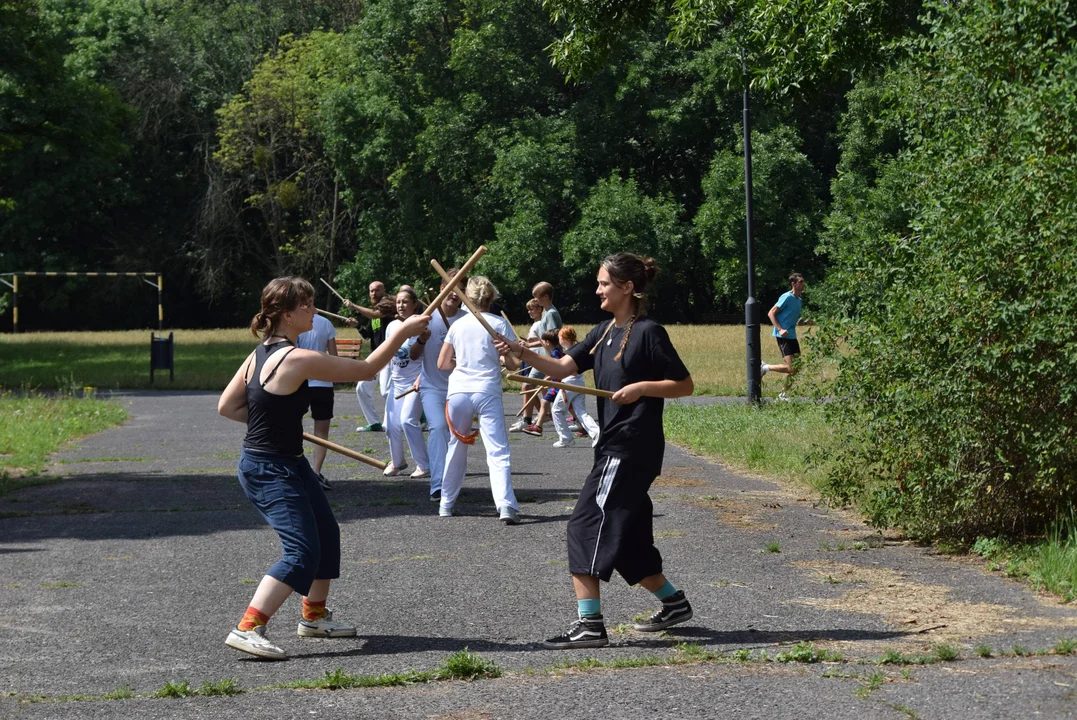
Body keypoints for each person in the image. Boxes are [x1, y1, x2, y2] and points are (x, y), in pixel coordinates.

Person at [217, 276, 428, 660]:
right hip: (269, 469)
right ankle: (248, 626)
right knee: (301, 550)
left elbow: (229, 407)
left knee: (327, 534)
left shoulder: (259, 354)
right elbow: (365, 370)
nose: (314, 311)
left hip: (288, 463)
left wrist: (274, 421)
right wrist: (402, 335)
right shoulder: (296, 357)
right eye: (307, 306)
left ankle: (313, 618)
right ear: (286, 314)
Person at [496, 253, 695, 649]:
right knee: (626, 537)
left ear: (626, 287)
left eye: (604, 283)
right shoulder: (604, 331)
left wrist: (641, 388)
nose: (598, 289)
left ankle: (589, 625)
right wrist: (521, 352)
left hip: (630, 447)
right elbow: (562, 368)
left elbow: (684, 384)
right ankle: (674, 603)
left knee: (585, 525)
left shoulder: (649, 332)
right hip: (613, 446)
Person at [437, 276, 522, 524]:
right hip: (487, 391)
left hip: (459, 391)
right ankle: (505, 506)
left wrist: (463, 363)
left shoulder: (458, 326)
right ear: (491, 298)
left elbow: (442, 364)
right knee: (497, 450)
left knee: (456, 446)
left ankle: (445, 504)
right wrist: (504, 354)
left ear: (469, 298)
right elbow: (513, 365)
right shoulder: (499, 325)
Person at [410, 269, 468, 501]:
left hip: (460, 387)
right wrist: (423, 339)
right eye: (452, 288)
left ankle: (452, 483)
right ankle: (438, 485)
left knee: (458, 437)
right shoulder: (427, 317)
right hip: (432, 387)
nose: (456, 294)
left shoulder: (468, 319)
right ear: (442, 288)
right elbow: (414, 355)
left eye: (461, 290)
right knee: (437, 427)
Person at [295, 311, 352, 490]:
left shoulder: (295, 321)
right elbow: (334, 356)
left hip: (299, 382)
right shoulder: (326, 323)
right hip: (322, 384)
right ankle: (316, 472)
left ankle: (298, 472)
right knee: (321, 433)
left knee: (294, 428)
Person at [382, 287, 430, 478]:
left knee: (408, 421)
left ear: (414, 304)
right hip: (397, 382)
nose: (401, 305)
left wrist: (421, 378)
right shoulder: (392, 326)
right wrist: (376, 371)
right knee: (390, 425)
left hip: (416, 381)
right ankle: (398, 461)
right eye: (398, 302)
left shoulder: (422, 324)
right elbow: (387, 351)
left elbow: (430, 356)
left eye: (405, 302)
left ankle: (424, 465)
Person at [344, 281, 392, 431]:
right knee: (362, 388)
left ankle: (415, 416)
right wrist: (358, 326)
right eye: (371, 291)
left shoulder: (388, 308)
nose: (373, 293)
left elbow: (375, 314)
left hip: (389, 356)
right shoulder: (373, 314)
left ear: (384, 292)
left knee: (386, 391)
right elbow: (367, 336)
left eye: (377, 290)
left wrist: (353, 306)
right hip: (376, 357)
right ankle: (374, 423)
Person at [549, 325, 600, 449]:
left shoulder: (570, 353)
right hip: (578, 383)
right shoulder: (576, 349)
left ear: (563, 338)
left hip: (571, 383)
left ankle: (566, 438)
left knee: (557, 410)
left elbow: (571, 372)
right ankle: (597, 433)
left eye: (559, 337)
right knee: (581, 412)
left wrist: (561, 382)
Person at [761, 273, 807, 401]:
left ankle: (782, 395)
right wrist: (780, 329)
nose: (803, 285)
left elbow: (791, 317)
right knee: (791, 367)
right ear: (793, 284)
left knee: (796, 368)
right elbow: (771, 313)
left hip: (792, 336)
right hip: (783, 336)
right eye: (800, 282)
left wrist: (803, 323)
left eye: (803, 282)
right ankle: (764, 368)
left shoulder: (799, 300)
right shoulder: (787, 297)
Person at [509, 299, 545, 433]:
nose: (529, 312)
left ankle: (528, 419)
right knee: (529, 387)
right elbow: (534, 341)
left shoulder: (541, 323)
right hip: (533, 357)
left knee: (528, 386)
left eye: (532, 309)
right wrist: (524, 341)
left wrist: (527, 344)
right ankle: (542, 414)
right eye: (528, 310)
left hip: (537, 358)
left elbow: (541, 341)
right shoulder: (536, 323)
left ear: (539, 309)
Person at [522, 329, 565, 437]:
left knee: (547, 402)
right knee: (546, 402)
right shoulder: (555, 352)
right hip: (557, 384)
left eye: (543, 341)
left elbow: (558, 369)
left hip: (560, 385)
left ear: (547, 343)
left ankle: (539, 426)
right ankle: (538, 426)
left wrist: (546, 379)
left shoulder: (555, 354)